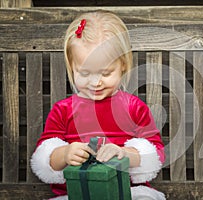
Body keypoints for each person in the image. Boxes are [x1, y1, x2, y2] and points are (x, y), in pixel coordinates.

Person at [30, 10, 165, 200]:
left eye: (106, 73)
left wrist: (124, 154)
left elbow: (156, 155)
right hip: (76, 193)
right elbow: (45, 158)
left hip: (128, 192)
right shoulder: (63, 110)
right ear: (72, 66)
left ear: (123, 65)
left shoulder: (133, 107)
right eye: (85, 74)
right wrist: (66, 153)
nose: (95, 82)